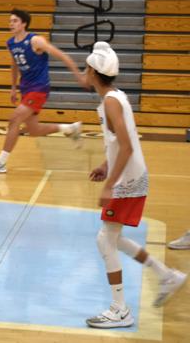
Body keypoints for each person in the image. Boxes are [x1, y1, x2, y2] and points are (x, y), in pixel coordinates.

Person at [83, 42, 186, 328]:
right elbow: (120, 142)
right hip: (130, 176)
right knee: (112, 238)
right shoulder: (115, 96)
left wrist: (109, 185)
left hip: (128, 180)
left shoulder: (111, 101)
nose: (83, 72)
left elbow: (127, 146)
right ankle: (167, 275)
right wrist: (105, 165)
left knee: (105, 240)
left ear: (92, 71)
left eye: (86, 68)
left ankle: (120, 309)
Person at [0, 9, 87, 174]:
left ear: (24, 24)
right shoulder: (11, 43)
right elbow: (14, 64)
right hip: (26, 88)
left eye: (15, 21)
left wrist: (78, 75)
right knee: (34, 131)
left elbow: (62, 55)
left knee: (14, 119)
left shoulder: (36, 41)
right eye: (10, 21)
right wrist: (13, 87)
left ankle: (0, 163)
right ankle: (69, 128)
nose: (11, 24)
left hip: (39, 88)